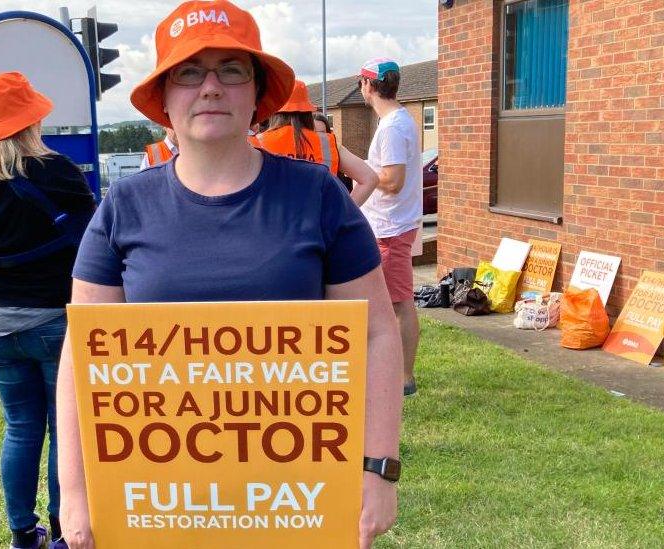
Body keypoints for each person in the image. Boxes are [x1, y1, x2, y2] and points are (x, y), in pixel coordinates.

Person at [56, 3, 403, 549]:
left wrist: (378, 469)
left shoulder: (317, 197)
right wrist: (75, 495)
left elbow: (378, 334)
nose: (210, 87)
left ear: (256, 93)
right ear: (165, 98)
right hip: (158, 501)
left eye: (231, 70)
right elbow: (83, 351)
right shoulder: (124, 207)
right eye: (189, 72)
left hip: (295, 498)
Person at [0, 71, 96, 549]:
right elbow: (94, 245)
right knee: (62, 428)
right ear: (31, 121)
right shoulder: (60, 173)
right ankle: (64, 529)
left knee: (21, 427)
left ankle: (23, 534)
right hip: (56, 323)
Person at [357, 58, 424, 397]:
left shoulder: (394, 127)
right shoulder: (395, 122)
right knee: (391, 302)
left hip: (392, 229)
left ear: (369, 86)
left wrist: (362, 173)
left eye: (361, 83)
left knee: (399, 304)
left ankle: (405, 379)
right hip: (387, 226)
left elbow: (393, 181)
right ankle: (394, 373)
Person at [256, 79, 377, 205]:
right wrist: (343, 214)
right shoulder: (327, 144)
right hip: (318, 221)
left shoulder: (257, 143)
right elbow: (369, 178)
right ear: (308, 112)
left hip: (271, 221)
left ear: (274, 112)